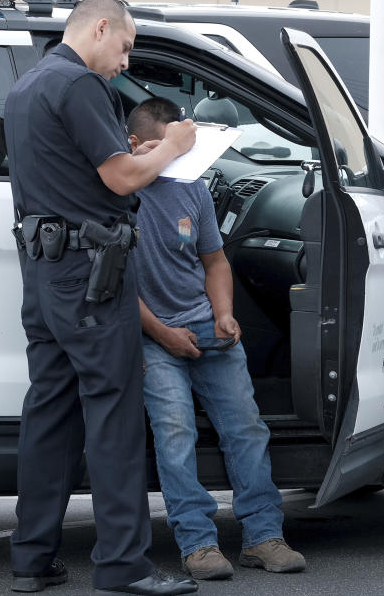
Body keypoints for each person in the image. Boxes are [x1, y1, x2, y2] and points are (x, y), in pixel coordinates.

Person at [3, 0, 199, 596]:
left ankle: (31, 560)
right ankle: (124, 567)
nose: (124, 61)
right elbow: (116, 179)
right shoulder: (80, 84)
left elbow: (85, 167)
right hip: (92, 277)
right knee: (112, 416)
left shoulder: (28, 87)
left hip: (44, 276)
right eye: (125, 47)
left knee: (49, 419)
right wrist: (172, 146)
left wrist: (133, 154)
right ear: (102, 27)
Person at [127, 97, 307, 581]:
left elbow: (215, 263)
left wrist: (224, 315)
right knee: (175, 431)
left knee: (247, 427)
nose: (184, 160)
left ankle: (263, 536)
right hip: (152, 335)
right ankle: (198, 543)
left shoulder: (195, 191)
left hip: (205, 326)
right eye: (175, 148)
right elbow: (118, 288)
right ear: (137, 145)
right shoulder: (123, 195)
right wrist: (164, 335)